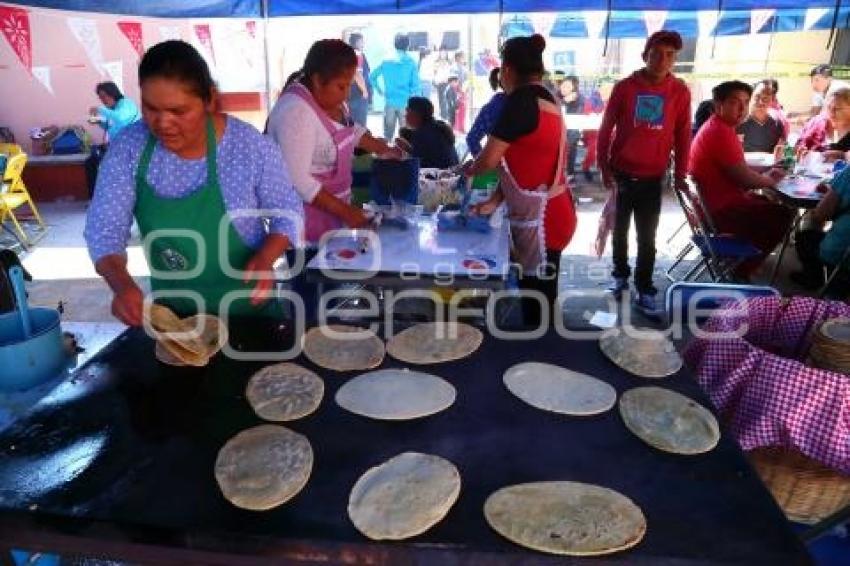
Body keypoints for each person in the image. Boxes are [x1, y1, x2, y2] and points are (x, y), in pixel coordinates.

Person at [84, 40, 302, 325]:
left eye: (178, 111)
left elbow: (288, 213)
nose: (163, 123)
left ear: (210, 99)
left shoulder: (249, 147)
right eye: (151, 108)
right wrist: (122, 285)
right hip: (175, 318)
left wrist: (266, 258)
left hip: (248, 312)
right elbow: (104, 229)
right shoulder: (128, 149)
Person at [464, 34, 577, 327]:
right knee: (541, 295)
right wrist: (493, 201)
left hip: (544, 220)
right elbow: (527, 163)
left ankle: (542, 358)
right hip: (553, 210)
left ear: (508, 71)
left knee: (537, 302)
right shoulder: (546, 97)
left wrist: (466, 171)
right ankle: (544, 347)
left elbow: (488, 160)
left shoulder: (520, 101)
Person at [267, 39, 400, 246]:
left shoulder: (332, 102)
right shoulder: (296, 113)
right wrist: (347, 212)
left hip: (332, 217)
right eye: (341, 86)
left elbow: (349, 130)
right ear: (318, 80)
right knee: (312, 275)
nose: (346, 93)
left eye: (349, 85)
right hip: (304, 223)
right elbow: (298, 180)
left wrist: (384, 148)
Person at [597, 30, 691, 313]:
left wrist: (681, 173)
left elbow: (683, 134)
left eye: (670, 55)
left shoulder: (680, 91)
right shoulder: (625, 87)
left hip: (653, 177)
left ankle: (645, 288)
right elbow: (606, 129)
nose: (662, 60)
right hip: (622, 173)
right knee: (620, 231)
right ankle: (620, 276)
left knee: (647, 237)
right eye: (656, 53)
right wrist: (603, 166)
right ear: (645, 56)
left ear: (675, 59)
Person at [689, 81, 795, 278]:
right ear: (718, 104)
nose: (742, 108)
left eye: (746, 102)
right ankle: (741, 269)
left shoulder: (721, 126)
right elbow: (745, 180)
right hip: (720, 212)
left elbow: (737, 169)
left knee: (768, 204)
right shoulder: (719, 131)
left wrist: (767, 173)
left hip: (713, 205)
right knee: (782, 215)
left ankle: (741, 259)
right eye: (735, 102)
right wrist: (771, 180)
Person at [793, 167, 850, 293]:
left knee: (806, 233)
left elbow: (821, 215)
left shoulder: (847, 174)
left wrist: (833, 194)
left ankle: (813, 277)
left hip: (842, 254)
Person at [370, 34, 420, 140]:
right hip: (406, 103)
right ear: (408, 45)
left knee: (387, 137)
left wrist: (379, 90)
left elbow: (372, 77)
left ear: (394, 45)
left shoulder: (386, 61)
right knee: (407, 138)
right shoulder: (411, 62)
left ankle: (388, 155)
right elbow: (415, 86)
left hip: (389, 102)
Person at [397, 97, 458, 169]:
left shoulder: (422, 134)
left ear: (417, 115)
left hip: (441, 177)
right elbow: (426, 156)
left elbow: (416, 165)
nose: (405, 116)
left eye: (407, 112)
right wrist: (408, 148)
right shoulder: (438, 126)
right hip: (453, 175)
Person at [797, 88, 850, 157]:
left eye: (837, 109)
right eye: (829, 107)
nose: (831, 113)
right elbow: (799, 147)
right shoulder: (817, 123)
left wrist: (843, 155)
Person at [466, 67, 506, 156]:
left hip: (497, 164)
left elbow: (472, 138)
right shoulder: (531, 105)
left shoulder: (490, 108)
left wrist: (485, 164)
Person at [736, 81, 785, 153]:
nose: (761, 102)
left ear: (772, 100)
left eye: (766, 98)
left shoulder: (777, 124)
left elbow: (780, 150)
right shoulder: (739, 123)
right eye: (757, 97)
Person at [557, 75, 585, 179]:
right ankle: (559, 174)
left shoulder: (579, 98)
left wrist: (568, 103)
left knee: (571, 144)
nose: (564, 88)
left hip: (572, 129)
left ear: (574, 88)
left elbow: (577, 119)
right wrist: (564, 102)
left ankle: (570, 174)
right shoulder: (556, 95)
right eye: (563, 85)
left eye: (568, 86)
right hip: (558, 128)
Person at [346, 33, 372, 127]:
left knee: (350, 124)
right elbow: (358, 74)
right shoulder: (358, 54)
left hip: (349, 95)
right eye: (362, 41)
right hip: (358, 95)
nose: (363, 44)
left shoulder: (347, 55)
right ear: (356, 42)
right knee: (360, 127)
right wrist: (365, 91)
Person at [451, 51, 469, 133]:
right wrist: (458, 89)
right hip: (457, 91)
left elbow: (467, 79)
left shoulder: (464, 67)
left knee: (463, 109)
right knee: (457, 109)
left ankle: (461, 127)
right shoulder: (454, 68)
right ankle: (456, 127)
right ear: (457, 58)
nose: (463, 59)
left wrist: (466, 88)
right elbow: (452, 80)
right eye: (462, 57)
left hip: (464, 91)